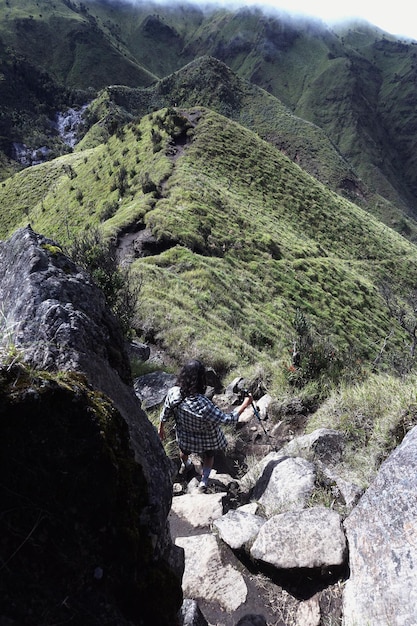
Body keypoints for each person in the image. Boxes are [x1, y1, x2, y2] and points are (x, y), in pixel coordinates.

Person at [158, 359, 253, 491]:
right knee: (209, 455)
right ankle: (203, 481)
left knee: (183, 451)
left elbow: (166, 410)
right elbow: (228, 419)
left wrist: (161, 427)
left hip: (185, 437)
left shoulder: (173, 393)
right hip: (208, 440)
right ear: (201, 380)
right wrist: (245, 404)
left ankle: (186, 465)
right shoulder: (203, 403)